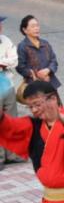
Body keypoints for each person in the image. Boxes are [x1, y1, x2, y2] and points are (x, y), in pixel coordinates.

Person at [16, 15, 60, 95]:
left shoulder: (45, 43)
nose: (36, 28)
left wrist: (48, 70)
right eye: (33, 26)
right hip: (33, 85)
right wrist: (34, 74)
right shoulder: (22, 46)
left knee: (54, 106)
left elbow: (54, 61)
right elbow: (20, 67)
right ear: (25, 30)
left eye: (37, 25)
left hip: (50, 82)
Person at [0, 15, 19, 166]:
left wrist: (2, 62)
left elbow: (14, 60)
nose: (1, 26)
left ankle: (12, 155)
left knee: (11, 120)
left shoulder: (6, 40)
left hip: (8, 85)